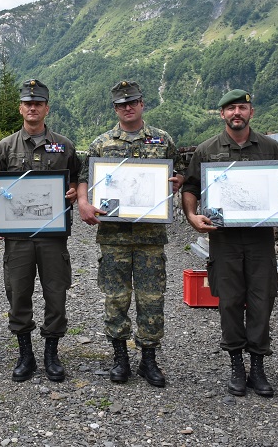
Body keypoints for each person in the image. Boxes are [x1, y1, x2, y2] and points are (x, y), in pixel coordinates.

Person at [181, 89, 278, 398]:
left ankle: (257, 366)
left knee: (262, 299)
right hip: (224, 239)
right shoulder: (206, 151)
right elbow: (190, 187)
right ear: (222, 114)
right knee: (230, 301)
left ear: (251, 112)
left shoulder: (272, 148)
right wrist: (192, 216)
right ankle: (236, 364)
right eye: (230, 108)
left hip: (260, 239)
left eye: (242, 107)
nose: (236, 113)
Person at [77, 81, 184, 388]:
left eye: (133, 102)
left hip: (151, 236)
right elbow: (85, 179)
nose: (128, 107)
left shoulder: (163, 140)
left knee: (152, 299)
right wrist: (84, 203)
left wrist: (175, 182)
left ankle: (148, 360)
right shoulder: (102, 144)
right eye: (122, 104)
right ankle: (120, 357)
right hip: (114, 236)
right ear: (115, 108)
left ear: (142, 104)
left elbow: (176, 174)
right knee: (115, 297)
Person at [0, 79, 81, 382]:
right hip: (17, 237)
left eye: (38, 103)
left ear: (46, 108)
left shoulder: (64, 145)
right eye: (28, 103)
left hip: (52, 236)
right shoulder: (6, 146)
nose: (33, 107)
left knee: (56, 293)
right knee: (18, 293)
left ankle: (51, 353)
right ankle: (25, 354)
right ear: (21, 108)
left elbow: (77, 180)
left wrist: (72, 191)